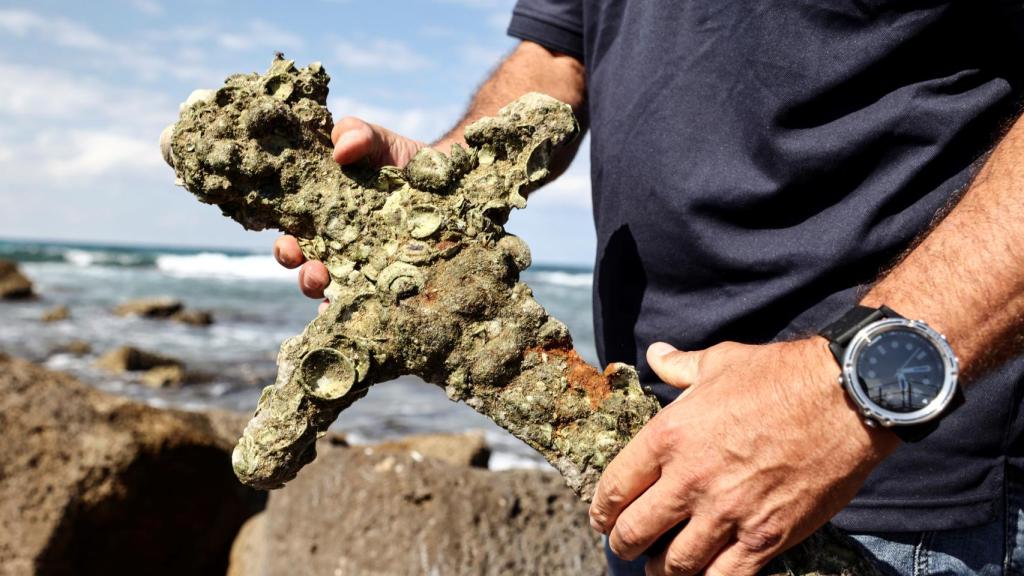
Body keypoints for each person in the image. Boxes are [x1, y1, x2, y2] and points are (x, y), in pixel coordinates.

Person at [275, 2, 1024, 574]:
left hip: (886, 480)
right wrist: (438, 190)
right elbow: (554, 57)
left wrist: (847, 390)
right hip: (647, 456)